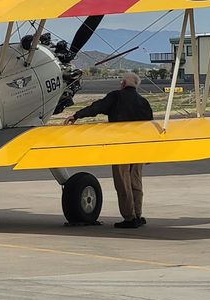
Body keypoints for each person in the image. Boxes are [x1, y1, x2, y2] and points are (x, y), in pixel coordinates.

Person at [64, 72, 153, 228]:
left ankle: (129, 218)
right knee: (136, 182)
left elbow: (96, 107)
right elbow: (150, 127)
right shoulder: (143, 102)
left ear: (124, 83)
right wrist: (149, 152)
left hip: (120, 147)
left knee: (123, 183)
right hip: (139, 147)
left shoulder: (116, 96)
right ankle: (138, 215)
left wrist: (77, 115)